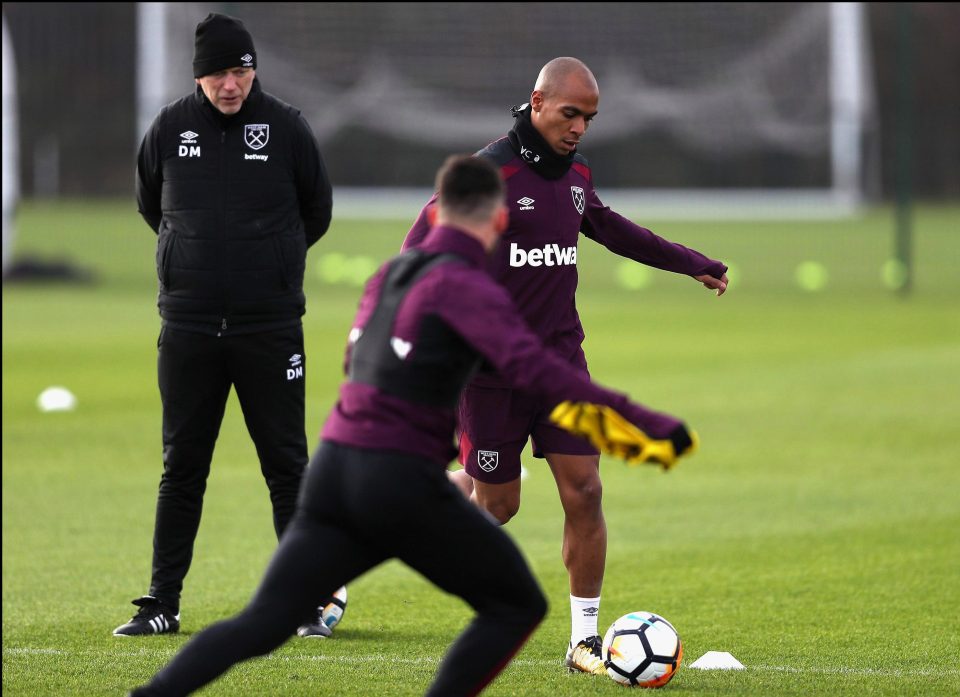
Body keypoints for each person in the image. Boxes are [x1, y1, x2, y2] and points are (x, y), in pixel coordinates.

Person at [128, 154, 698, 697]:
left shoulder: (390, 273)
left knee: (264, 622)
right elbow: (544, 374)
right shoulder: (470, 289)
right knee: (516, 605)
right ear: (500, 221)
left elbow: (361, 362)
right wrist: (649, 427)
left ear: (437, 212)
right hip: (397, 479)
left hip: (332, 469)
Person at [402, 56, 729, 675]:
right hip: (490, 378)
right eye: (570, 113)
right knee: (498, 507)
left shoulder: (576, 173)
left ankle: (584, 641)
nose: (579, 127)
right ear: (537, 102)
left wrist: (692, 262)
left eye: (590, 117)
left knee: (585, 491)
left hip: (559, 367)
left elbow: (611, 227)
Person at [115, 12, 338, 639]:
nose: (229, 84)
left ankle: (302, 604)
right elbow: (149, 205)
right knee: (182, 465)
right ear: (199, 77)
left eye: (239, 70)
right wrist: (191, 262)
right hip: (186, 327)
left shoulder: (288, 128)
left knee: (286, 466)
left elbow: (316, 210)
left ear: (253, 69)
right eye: (216, 73)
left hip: (268, 327)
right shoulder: (169, 128)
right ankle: (162, 603)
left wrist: (270, 264)